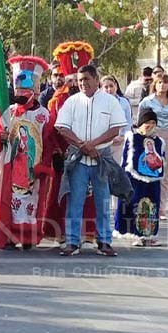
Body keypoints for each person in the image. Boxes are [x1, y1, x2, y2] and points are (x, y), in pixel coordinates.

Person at [56, 64, 128, 257]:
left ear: (97, 80)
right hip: (78, 159)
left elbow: (115, 129)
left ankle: (104, 241)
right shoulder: (72, 102)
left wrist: (94, 145)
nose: (83, 83)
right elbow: (62, 128)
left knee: (103, 200)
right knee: (75, 200)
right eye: (80, 80)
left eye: (87, 79)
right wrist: (83, 145)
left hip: (101, 157)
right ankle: (72, 241)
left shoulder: (110, 102)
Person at [0, 55, 54, 250]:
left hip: (33, 167)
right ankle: (8, 237)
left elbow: (48, 142)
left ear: (35, 89)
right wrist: (0, 136)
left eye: (26, 88)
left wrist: (44, 164)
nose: (21, 92)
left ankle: (27, 237)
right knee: (8, 200)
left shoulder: (44, 115)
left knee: (30, 202)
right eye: (18, 88)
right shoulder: (6, 111)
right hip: (10, 165)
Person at [43, 41, 98, 246]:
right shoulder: (57, 100)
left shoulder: (96, 99)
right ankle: (63, 232)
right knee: (64, 193)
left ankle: (87, 232)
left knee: (88, 193)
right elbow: (54, 129)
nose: (76, 84)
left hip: (91, 152)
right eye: (73, 80)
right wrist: (57, 153)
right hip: (66, 154)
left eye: (80, 79)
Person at [116, 109, 164, 246]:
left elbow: (161, 159)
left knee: (151, 206)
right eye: (147, 122)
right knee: (135, 205)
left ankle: (150, 233)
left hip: (153, 179)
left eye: (153, 122)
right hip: (134, 179)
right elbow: (126, 159)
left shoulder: (159, 141)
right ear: (140, 123)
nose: (150, 125)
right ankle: (137, 234)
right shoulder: (132, 138)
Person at [139, 74, 168, 219]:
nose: (162, 86)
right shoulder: (147, 101)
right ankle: (147, 206)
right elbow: (141, 118)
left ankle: (161, 209)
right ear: (154, 85)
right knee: (149, 170)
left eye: (165, 83)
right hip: (150, 136)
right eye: (159, 83)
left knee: (164, 173)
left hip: (167, 135)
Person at [101, 75, 133, 165]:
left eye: (111, 86)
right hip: (103, 142)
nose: (109, 89)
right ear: (101, 88)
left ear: (116, 86)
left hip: (119, 141)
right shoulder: (97, 103)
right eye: (106, 87)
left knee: (118, 169)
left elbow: (128, 122)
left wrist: (122, 137)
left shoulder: (124, 102)